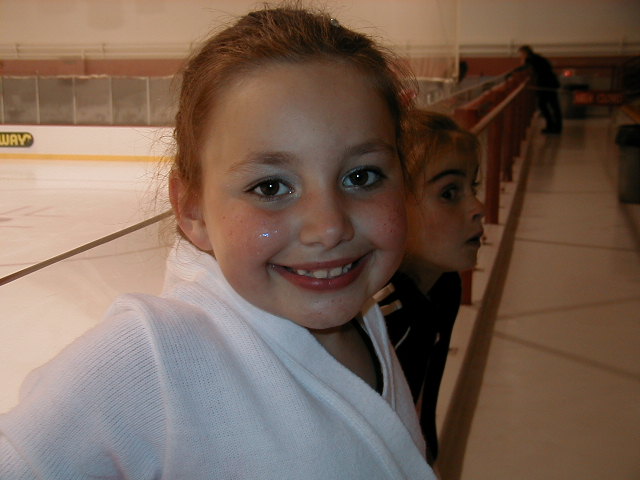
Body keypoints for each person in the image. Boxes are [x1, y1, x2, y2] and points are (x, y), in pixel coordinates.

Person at [0, 6, 437, 479]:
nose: (329, 227)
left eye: (362, 176)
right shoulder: (152, 357)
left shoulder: (364, 313)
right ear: (193, 209)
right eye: (271, 186)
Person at [377, 110, 485, 466]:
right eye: (449, 193)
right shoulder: (382, 315)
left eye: (473, 188)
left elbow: (424, 404)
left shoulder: (444, 285)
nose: (478, 208)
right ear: (390, 207)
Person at [517, 45, 563, 134]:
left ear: (525, 53)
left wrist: (521, 64)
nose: (520, 56)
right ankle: (556, 127)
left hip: (545, 85)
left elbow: (523, 68)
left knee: (543, 105)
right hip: (551, 83)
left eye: (521, 54)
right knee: (554, 105)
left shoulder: (531, 59)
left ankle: (551, 126)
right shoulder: (537, 58)